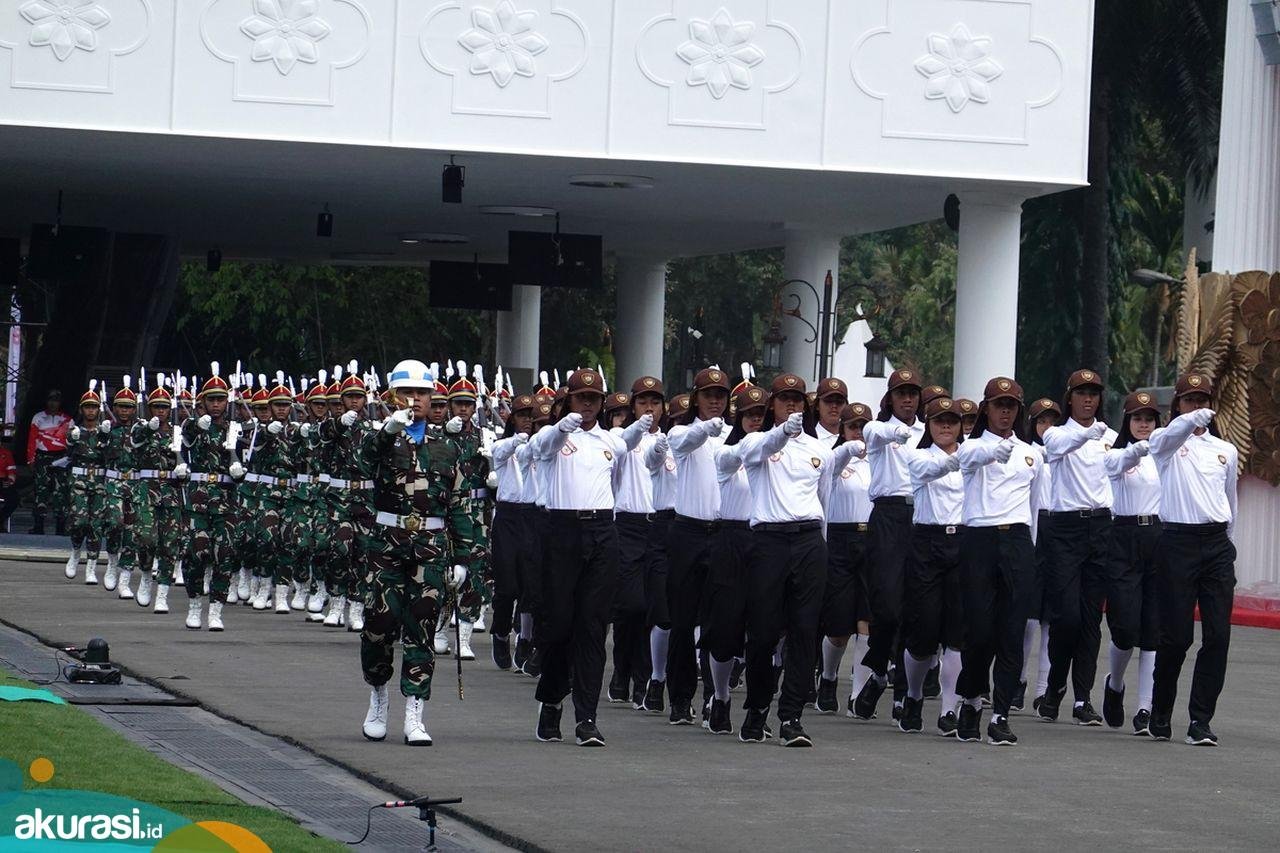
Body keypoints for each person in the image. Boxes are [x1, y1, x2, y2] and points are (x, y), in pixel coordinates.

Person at [360, 359, 473, 747]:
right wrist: (387, 431)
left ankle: (415, 711)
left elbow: (459, 504)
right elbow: (360, 462)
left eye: (422, 393)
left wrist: (463, 558)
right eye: (407, 392)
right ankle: (378, 696)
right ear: (392, 396)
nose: (415, 399)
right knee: (378, 622)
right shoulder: (381, 438)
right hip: (387, 542)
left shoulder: (446, 446)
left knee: (421, 627)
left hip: (430, 546)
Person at [529, 368, 644, 747]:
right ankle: (551, 699)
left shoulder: (611, 441)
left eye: (595, 398)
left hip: (601, 530)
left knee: (593, 627)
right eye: (583, 397)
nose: (590, 404)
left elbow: (617, 482)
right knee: (558, 625)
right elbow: (539, 447)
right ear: (569, 399)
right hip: (561, 530)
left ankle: (587, 716)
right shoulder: (554, 436)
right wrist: (563, 425)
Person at [737, 374, 832, 746]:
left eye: (796, 399)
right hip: (769, 541)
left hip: (808, 539)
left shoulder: (819, 449)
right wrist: (783, 432)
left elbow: (824, 497)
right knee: (762, 633)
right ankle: (758, 705)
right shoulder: (757, 441)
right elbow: (760, 450)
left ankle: (791, 714)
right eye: (784, 399)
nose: (791, 405)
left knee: (805, 630)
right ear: (771, 405)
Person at [1147, 372, 1237, 746]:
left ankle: (1201, 719)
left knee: (1218, 635)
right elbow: (1163, 439)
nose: (1198, 407)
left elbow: (1231, 502)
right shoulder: (1165, 444)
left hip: (1215, 543)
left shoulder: (1225, 450)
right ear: (1177, 405)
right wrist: (1186, 422)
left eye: (1203, 401)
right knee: (1177, 638)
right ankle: (1161, 709)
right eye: (1190, 400)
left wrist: (1228, 545)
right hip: (1177, 541)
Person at [954, 377, 1043, 746]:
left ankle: (1001, 713)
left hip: (1018, 540)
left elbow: (1036, 507)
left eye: (1011, 406)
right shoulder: (972, 448)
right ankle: (972, 699)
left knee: (1012, 631)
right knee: (979, 631)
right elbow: (966, 459)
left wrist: (1030, 551)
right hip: (980, 539)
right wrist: (991, 453)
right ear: (985, 408)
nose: (1005, 412)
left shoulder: (1031, 453)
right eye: (998, 405)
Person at [1039, 369, 1115, 726]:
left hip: (1100, 527)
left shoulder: (1110, 437)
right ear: (1069, 397)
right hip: (1066, 528)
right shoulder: (1057, 434)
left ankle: (1082, 697)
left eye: (1094, 393)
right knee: (1065, 617)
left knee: (1089, 619)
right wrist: (1087, 435)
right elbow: (1059, 447)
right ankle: (1055, 685)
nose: (1089, 399)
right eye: (1082, 393)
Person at [657, 367, 731, 724]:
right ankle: (681, 696)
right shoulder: (682, 431)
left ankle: (716, 695)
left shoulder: (734, 434)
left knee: (718, 621)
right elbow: (682, 444)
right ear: (696, 397)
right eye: (708, 394)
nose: (715, 400)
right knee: (683, 621)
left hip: (724, 533)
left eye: (721, 395)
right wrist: (705, 428)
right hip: (687, 531)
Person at [852, 369, 926, 722]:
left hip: (923, 517)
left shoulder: (929, 431)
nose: (908, 399)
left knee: (915, 607)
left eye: (913, 393)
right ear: (890, 398)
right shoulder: (877, 430)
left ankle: (901, 691)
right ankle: (879, 670)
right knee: (886, 606)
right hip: (888, 517)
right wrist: (899, 429)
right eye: (901, 393)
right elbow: (875, 431)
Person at [900, 396, 966, 735]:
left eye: (952, 421)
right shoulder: (918, 455)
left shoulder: (973, 456)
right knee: (924, 631)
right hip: (927, 542)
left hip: (962, 543)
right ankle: (912, 695)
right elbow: (925, 472)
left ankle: (949, 708)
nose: (945, 426)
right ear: (928, 424)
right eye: (939, 420)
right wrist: (957, 463)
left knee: (957, 633)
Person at [704, 382, 767, 734]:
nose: (755, 420)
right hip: (729, 537)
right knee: (726, 628)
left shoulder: (776, 449)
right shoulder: (725, 451)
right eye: (748, 415)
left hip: (765, 540)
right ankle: (722, 695)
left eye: (760, 414)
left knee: (763, 628)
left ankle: (757, 707)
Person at [1102, 390, 1162, 735]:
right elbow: (1115, 465)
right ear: (1127, 422)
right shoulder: (1117, 455)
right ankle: (1115, 683)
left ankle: (1145, 708)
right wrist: (1137, 450)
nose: (1143, 424)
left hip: (1158, 537)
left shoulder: (1166, 456)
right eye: (1137, 419)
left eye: (1149, 419)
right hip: (1124, 537)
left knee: (1152, 628)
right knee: (1124, 626)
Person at [606, 379, 667, 706]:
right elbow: (626, 442)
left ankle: (643, 676)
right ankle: (622, 668)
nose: (649, 409)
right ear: (633, 407)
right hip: (626, 526)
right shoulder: (620, 438)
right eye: (643, 402)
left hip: (657, 527)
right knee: (629, 606)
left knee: (652, 608)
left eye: (655, 403)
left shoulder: (669, 441)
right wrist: (637, 429)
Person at [815, 402, 873, 715]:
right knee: (839, 626)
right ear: (843, 429)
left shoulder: (878, 461)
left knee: (867, 620)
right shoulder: (835, 458)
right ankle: (828, 676)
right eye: (853, 427)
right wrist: (847, 449)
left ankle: (858, 697)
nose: (859, 434)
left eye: (864, 427)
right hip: (839, 539)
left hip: (871, 539)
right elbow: (831, 469)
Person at [179, 365, 246, 631]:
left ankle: (216, 609)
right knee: (197, 552)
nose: (216, 405)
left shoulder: (235, 429)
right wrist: (197, 425)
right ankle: (195, 602)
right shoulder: (193, 424)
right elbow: (186, 437)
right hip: (198, 498)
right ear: (202, 402)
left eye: (220, 400)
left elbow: (247, 459)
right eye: (211, 400)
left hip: (227, 499)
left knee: (225, 554)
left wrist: (239, 468)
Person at [488, 394, 537, 670]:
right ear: (512, 419)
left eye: (531, 416)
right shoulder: (503, 446)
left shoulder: (542, 444)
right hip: (508, 516)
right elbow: (499, 452)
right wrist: (515, 441)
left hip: (532, 516)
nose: (527, 421)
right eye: (522, 415)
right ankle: (500, 632)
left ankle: (526, 638)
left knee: (530, 583)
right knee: (507, 585)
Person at [1022, 398, 1060, 713]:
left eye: (1052, 422)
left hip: (1059, 530)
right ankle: (1018, 679)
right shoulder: (1025, 453)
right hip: (1033, 529)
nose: (1047, 428)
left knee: (1051, 617)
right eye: (1041, 421)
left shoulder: (1064, 452)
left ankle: (1043, 688)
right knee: (1028, 617)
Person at [63, 386, 109, 584]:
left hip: (99, 482)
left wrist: (107, 437)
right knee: (79, 521)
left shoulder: (105, 431)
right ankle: (75, 551)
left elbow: (111, 456)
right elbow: (69, 449)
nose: (91, 411)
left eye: (94, 407)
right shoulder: (75, 431)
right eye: (87, 407)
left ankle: (91, 566)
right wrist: (71, 440)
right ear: (81, 410)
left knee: (95, 526)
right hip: (79, 482)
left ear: (99, 409)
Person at [27, 389, 72, 534]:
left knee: (61, 491)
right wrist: (30, 460)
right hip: (42, 457)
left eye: (56, 400)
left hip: (61, 458)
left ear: (60, 403)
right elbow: (32, 440)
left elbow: (72, 443)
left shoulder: (68, 419)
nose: (53, 403)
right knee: (41, 490)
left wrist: (70, 460)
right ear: (47, 401)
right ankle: (38, 525)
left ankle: (60, 526)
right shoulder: (38, 417)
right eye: (51, 400)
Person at [813, 378, 848, 446]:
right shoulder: (807, 435)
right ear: (817, 405)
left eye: (839, 402)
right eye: (828, 401)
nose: (834, 406)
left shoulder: (852, 438)